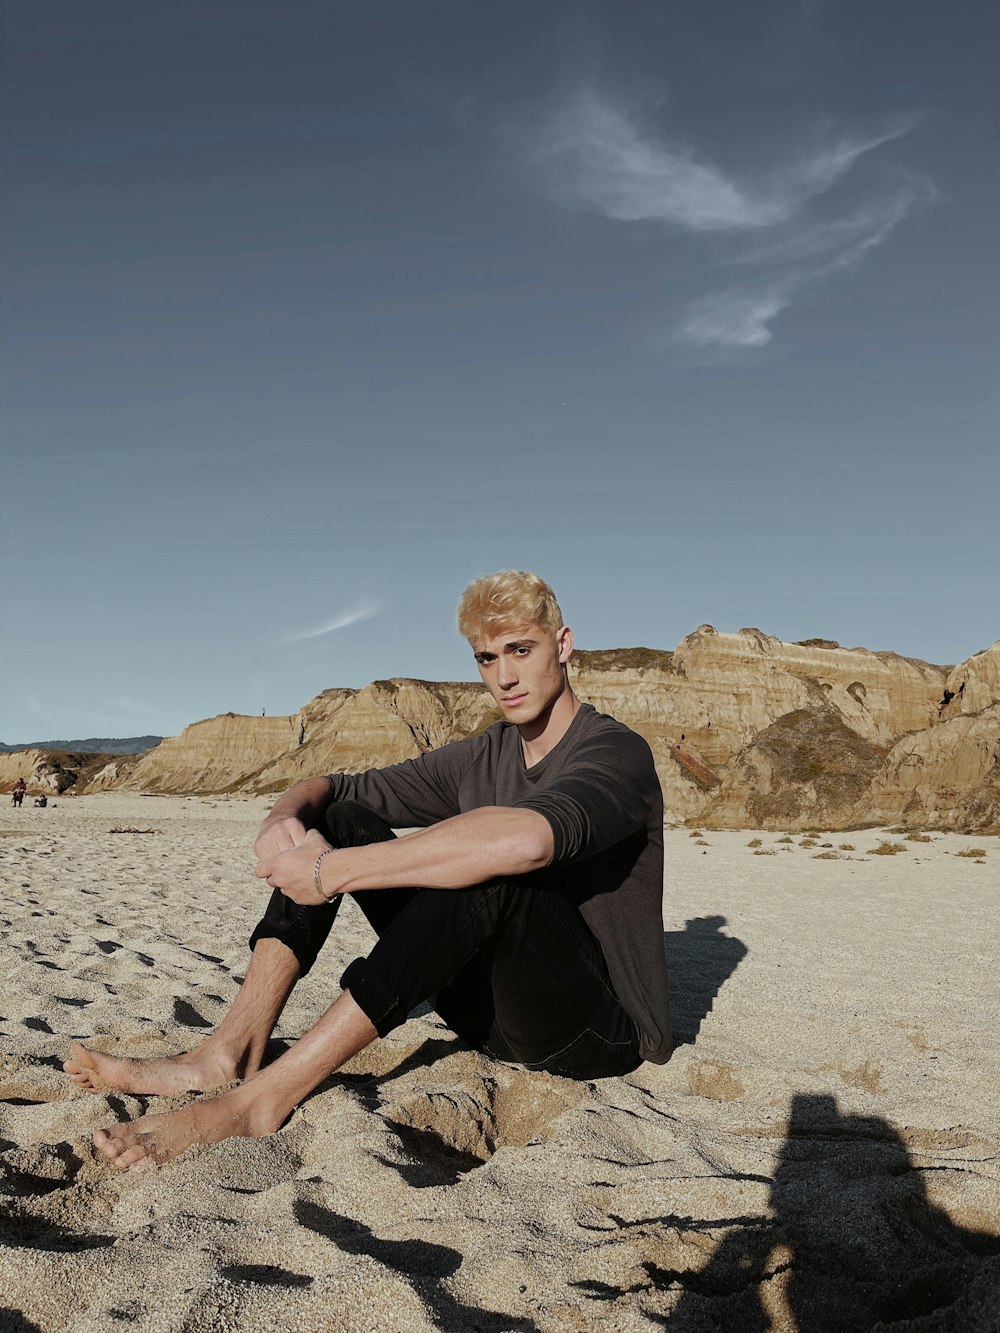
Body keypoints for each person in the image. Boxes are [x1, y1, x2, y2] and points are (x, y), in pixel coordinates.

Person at [65, 571, 671, 1171]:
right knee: (346, 817)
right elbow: (340, 789)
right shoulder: (485, 753)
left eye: (521, 650)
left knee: (488, 864)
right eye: (487, 658)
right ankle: (230, 1051)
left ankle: (262, 1099)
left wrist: (332, 872)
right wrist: (284, 814)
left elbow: (527, 841)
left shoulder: (614, 753)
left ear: (562, 646)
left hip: (593, 1032)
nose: (505, 676)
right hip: (485, 1016)